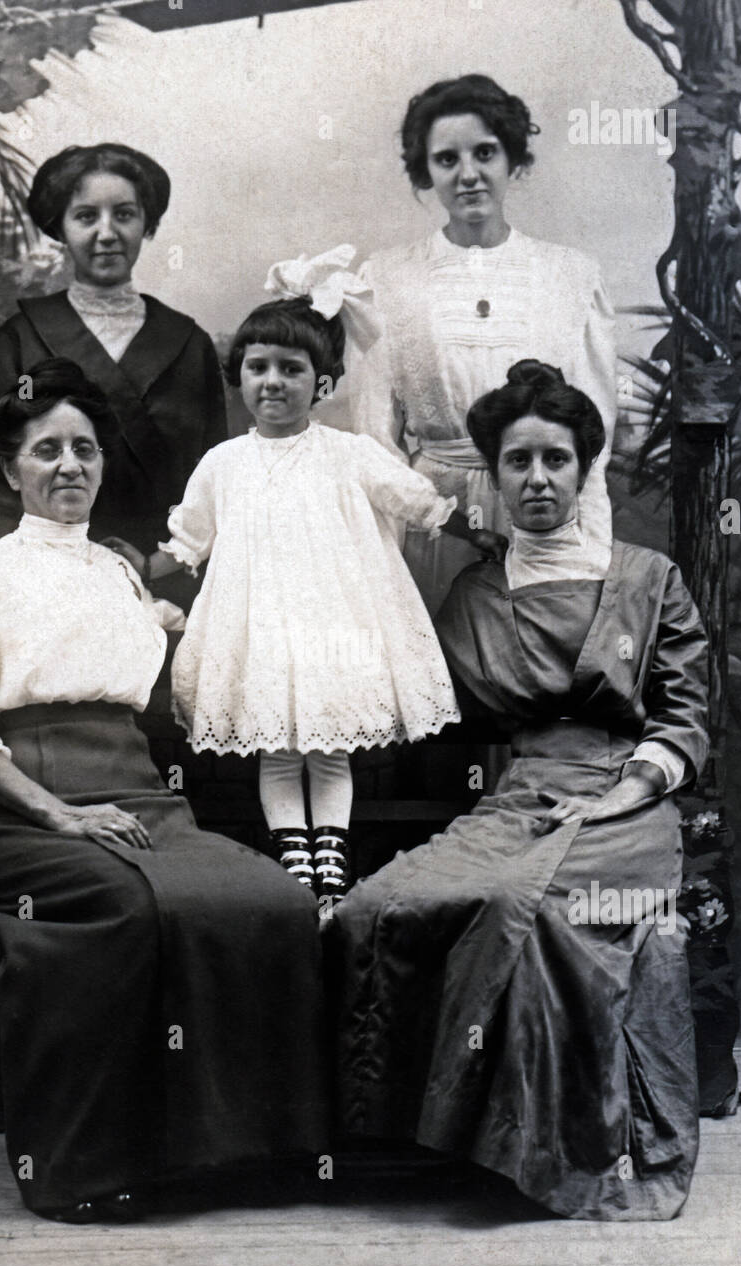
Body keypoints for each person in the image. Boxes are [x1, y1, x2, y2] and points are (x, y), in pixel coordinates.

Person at [0, 358, 326, 1223]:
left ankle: (233, 1154)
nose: (69, 465)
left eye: (84, 448)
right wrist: (63, 814)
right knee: (127, 911)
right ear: (11, 469)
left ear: (103, 463)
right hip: (25, 812)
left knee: (276, 902)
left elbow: (174, 673)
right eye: (46, 451)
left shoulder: (117, 572)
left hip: (139, 799)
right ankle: (83, 1167)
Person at [333, 361, 709, 1221]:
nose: (537, 479)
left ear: (585, 469)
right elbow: (430, 704)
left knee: (524, 910)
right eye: (516, 463)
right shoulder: (476, 594)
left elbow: (686, 716)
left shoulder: (646, 579)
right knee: (376, 907)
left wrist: (625, 791)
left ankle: (541, 1152)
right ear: (493, 477)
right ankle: (423, 1140)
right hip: (521, 798)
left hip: (629, 798)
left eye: (556, 460)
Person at [122, 249, 498, 902]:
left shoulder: (349, 454)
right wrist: (133, 565)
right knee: (277, 744)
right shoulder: (224, 463)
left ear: (322, 386)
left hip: (335, 629)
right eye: (257, 367)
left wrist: (473, 530)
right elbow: (189, 540)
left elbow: (414, 498)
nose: (272, 381)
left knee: (327, 744)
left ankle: (332, 851)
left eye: (290, 369)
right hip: (260, 625)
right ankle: (292, 851)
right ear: (239, 376)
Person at [350, 74, 618, 617]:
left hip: (546, 512)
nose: (468, 174)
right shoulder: (386, 278)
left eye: (485, 153)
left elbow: (597, 440)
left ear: (513, 161)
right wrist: (421, 523)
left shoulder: (571, 275)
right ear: (426, 170)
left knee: (545, 668)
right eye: (447, 159)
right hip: (436, 525)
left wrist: (590, 542)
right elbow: (374, 439)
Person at [0, 142, 226, 613]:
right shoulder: (19, 339)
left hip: (169, 582)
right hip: (49, 583)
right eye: (86, 217)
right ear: (61, 229)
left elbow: (217, 487)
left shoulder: (189, 343)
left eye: (124, 215)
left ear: (147, 224)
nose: (106, 233)